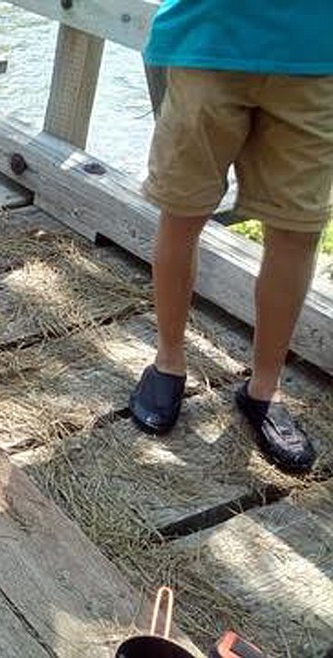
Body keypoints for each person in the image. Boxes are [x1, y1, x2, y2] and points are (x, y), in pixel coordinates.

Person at [129, 1, 331, 473]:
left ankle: (264, 387)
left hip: (316, 52)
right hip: (207, 39)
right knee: (182, 212)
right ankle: (169, 360)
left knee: (297, 230)